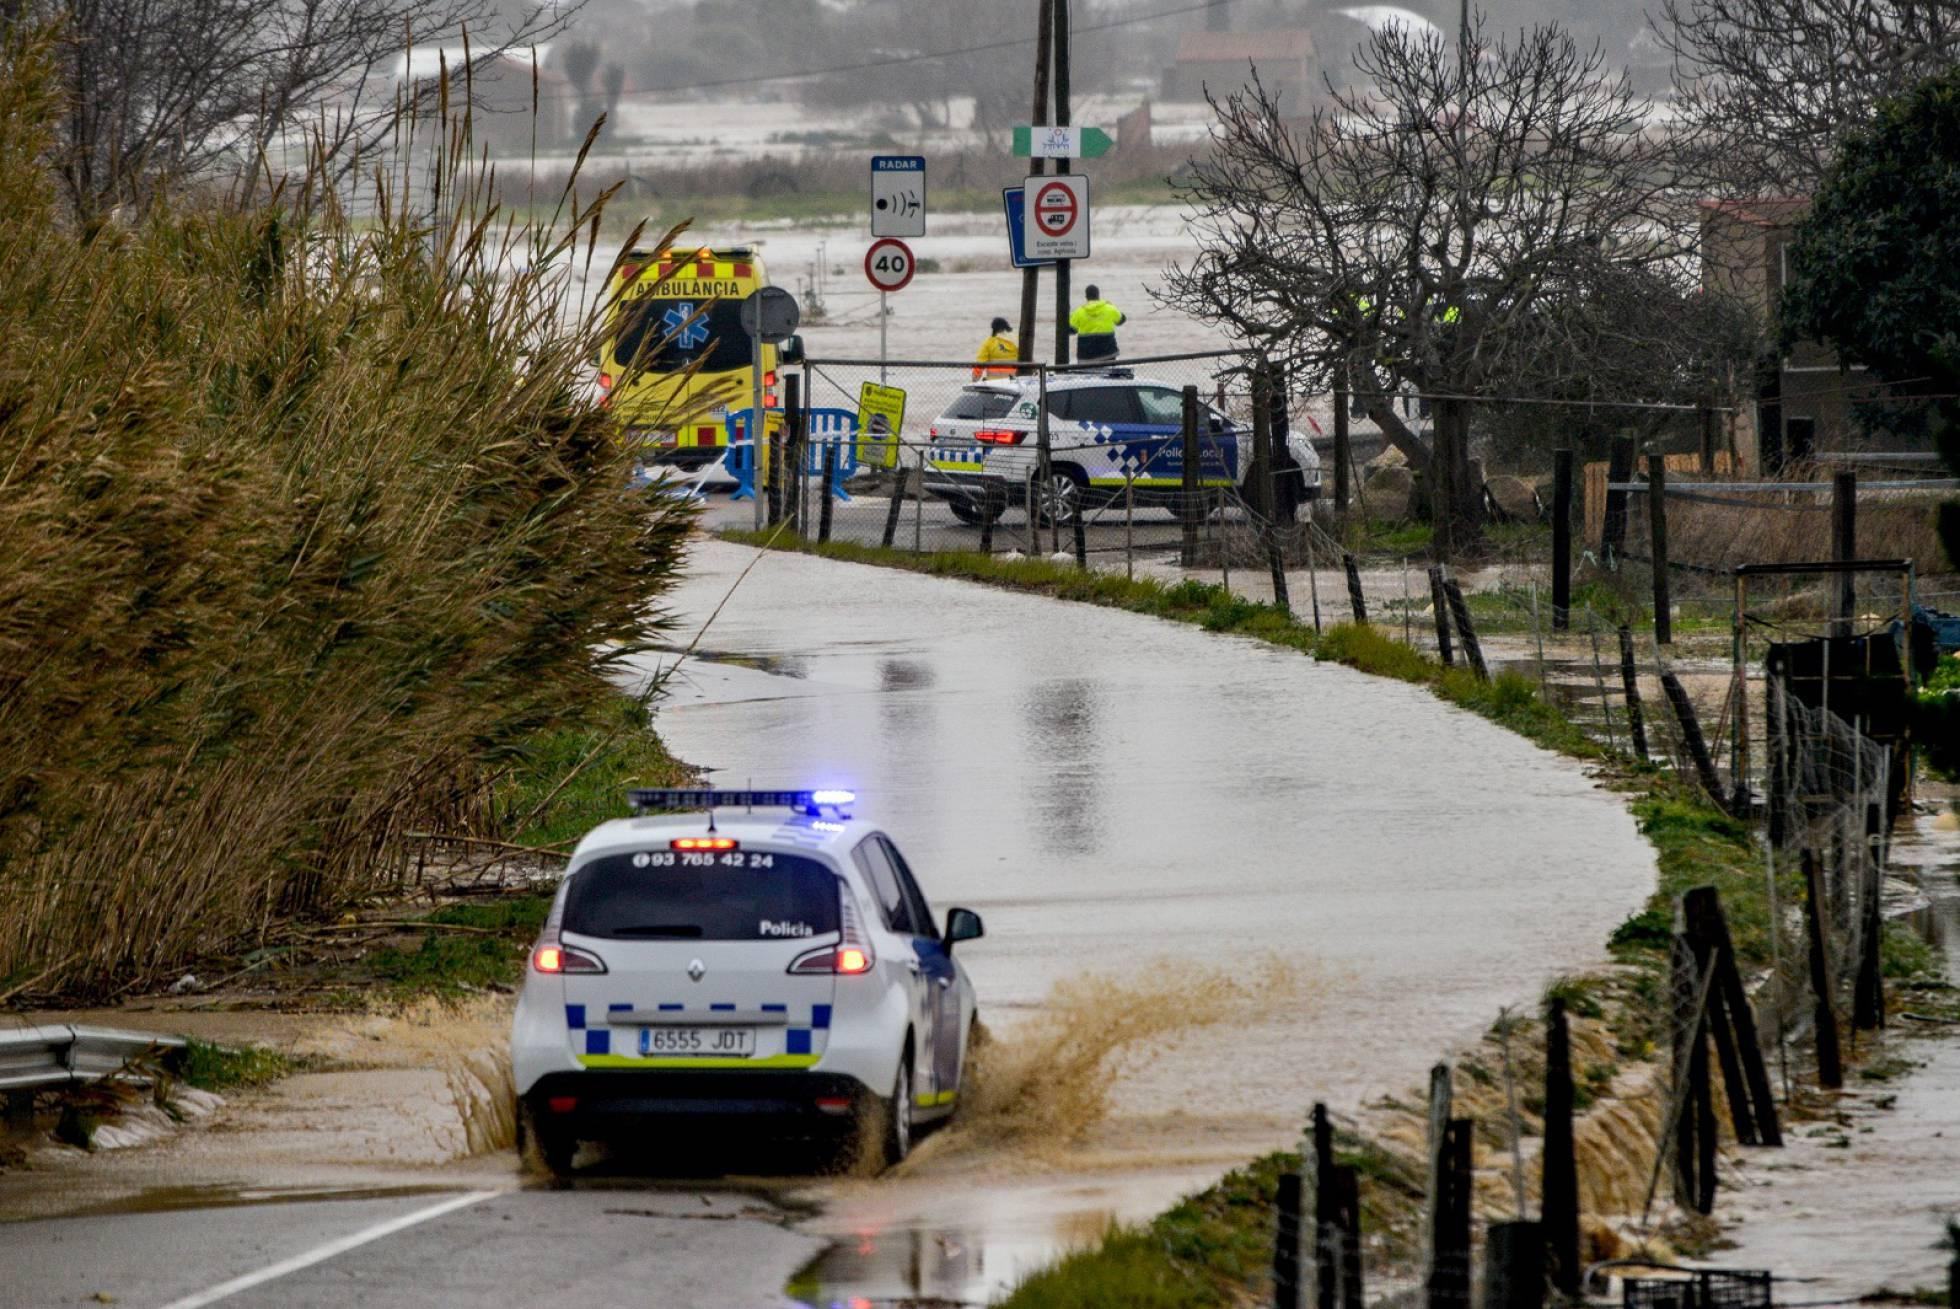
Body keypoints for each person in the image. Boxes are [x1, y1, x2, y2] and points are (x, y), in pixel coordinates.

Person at [1067, 285, 1125, 361]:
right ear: (1098, 295)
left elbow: (1071, 330)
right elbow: (1121, 320)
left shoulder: (1078, 312)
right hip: (1108, 353)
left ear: (1086, 297)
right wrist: (1113, 307)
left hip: (1086, 355)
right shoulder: (1109, 308)